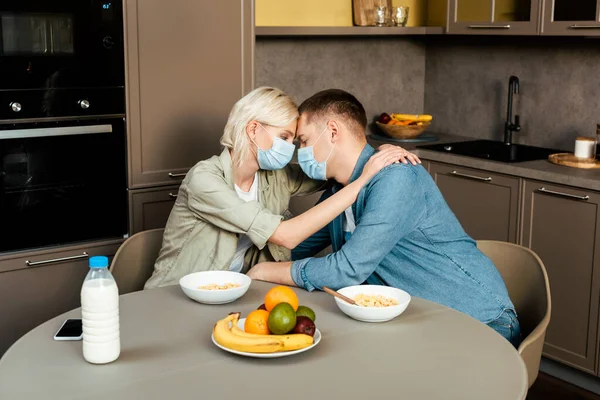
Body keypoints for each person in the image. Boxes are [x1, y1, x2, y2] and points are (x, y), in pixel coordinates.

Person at [247, 88, 521, 348]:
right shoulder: (341, 192)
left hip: (479, 320)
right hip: (419, 321)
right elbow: (292, 248)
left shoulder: (397, 178)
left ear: (332, 131)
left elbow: (346, 269)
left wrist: (264, 271)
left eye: (304, 141)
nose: (300, 152)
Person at [143, 87, 420, 289]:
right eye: (285, 137)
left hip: (234, 292)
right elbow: (286, 236)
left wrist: (376, 153)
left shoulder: (275, 176)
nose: (291, 149)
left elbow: (339, 166)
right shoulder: (203, 179)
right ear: (253, 130)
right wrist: (364, 180)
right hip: (175, 296)